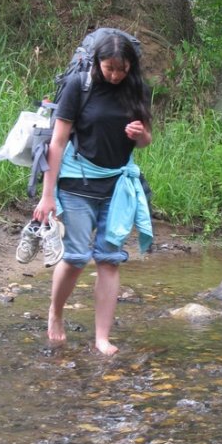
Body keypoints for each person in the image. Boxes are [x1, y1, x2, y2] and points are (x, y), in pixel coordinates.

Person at [32, 32, 153, 356]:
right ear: (98, 62)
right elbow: (57, 142)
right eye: (109, 68)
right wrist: (47, 196)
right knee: (75, 258)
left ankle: (102, 338)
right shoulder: (79, 86)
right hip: (77, 184)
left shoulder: (138, 89)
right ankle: (56, 312)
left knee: (109, 260)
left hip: (117, 187)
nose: (115, 75)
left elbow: (145, 141)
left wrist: (140, 134)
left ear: (131, 66)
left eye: (122, 69)